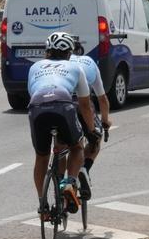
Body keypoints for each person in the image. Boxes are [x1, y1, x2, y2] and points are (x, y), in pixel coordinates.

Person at [27, 31, 99, 219]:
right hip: (62, 104)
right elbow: (84, 105)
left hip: (37, 106)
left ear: (47, 51)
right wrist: (91, 131)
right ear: (69, 53)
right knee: (76, 147)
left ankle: (42, 204)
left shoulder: (35, 67)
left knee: (41, 157)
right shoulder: (75, 68)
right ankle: (69, 182)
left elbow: (33, 93)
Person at [70, 37, 111, 199]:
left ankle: (62, 185)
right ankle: (84, 169)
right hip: (83, 106)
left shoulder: (61, 62)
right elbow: (102, 98)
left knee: (65, 146)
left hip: (62, 105)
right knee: (95, 138)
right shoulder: (89, 62)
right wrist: (106, 121)